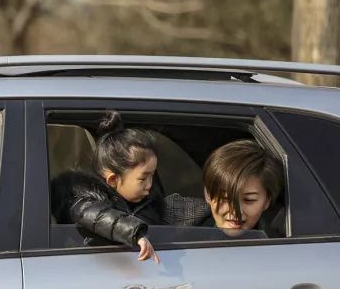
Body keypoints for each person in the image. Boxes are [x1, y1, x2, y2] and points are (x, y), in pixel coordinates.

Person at [51, 112, 208, 263]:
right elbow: (100, 217)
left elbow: (181, 213)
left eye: (152, 176)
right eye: (143, 178)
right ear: (113, 179)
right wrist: (135, 234)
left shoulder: (150, 202)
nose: (150, 185)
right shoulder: (81, 199)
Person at [200, 139, 284, 237]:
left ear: (267, 201)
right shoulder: (185, 225)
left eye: (249, 200)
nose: (236, 211)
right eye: (226, 198)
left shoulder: (279, 247)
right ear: (208, 194)